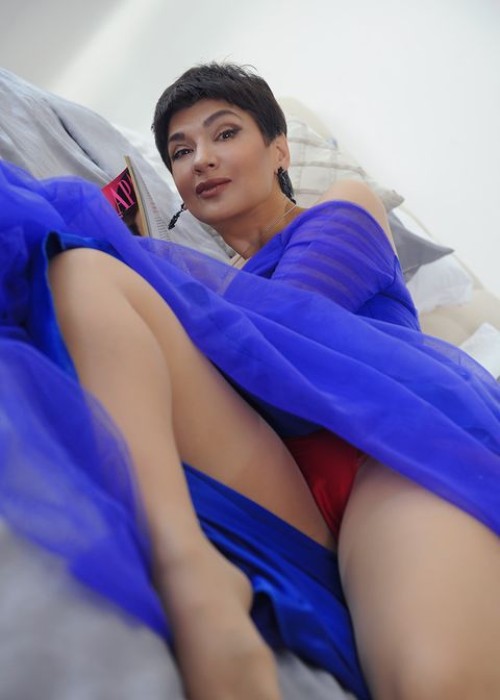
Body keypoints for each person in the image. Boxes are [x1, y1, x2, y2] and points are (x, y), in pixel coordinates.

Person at [0, 62, 499, 700]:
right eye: (181, 152)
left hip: (386, 450)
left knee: (434, 683)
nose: (202, 159)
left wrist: (154, 271)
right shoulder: (206, 287)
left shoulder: (345, 204)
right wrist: (136, 270)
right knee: (81, 271)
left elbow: (285, 344)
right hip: (284, 476)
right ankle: (187, 569)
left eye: (225, 133)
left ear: (280, 150)